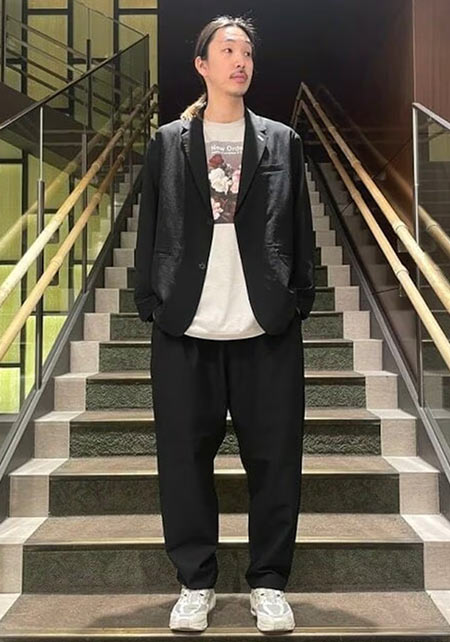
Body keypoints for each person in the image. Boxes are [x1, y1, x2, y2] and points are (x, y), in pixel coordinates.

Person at [134, 13, 315, 634]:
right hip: (185, 328)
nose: (240, 61)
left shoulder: (282, 141)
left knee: (276, 464)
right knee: (183, 464)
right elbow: (150, 227)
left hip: (266, 330)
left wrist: (297, 302)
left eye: (247, 53)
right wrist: (150, 303)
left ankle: (269, 584)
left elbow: (300, 229)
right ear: (202, 65)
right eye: (228, 50)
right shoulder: (167, 143)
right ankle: (196, 583)